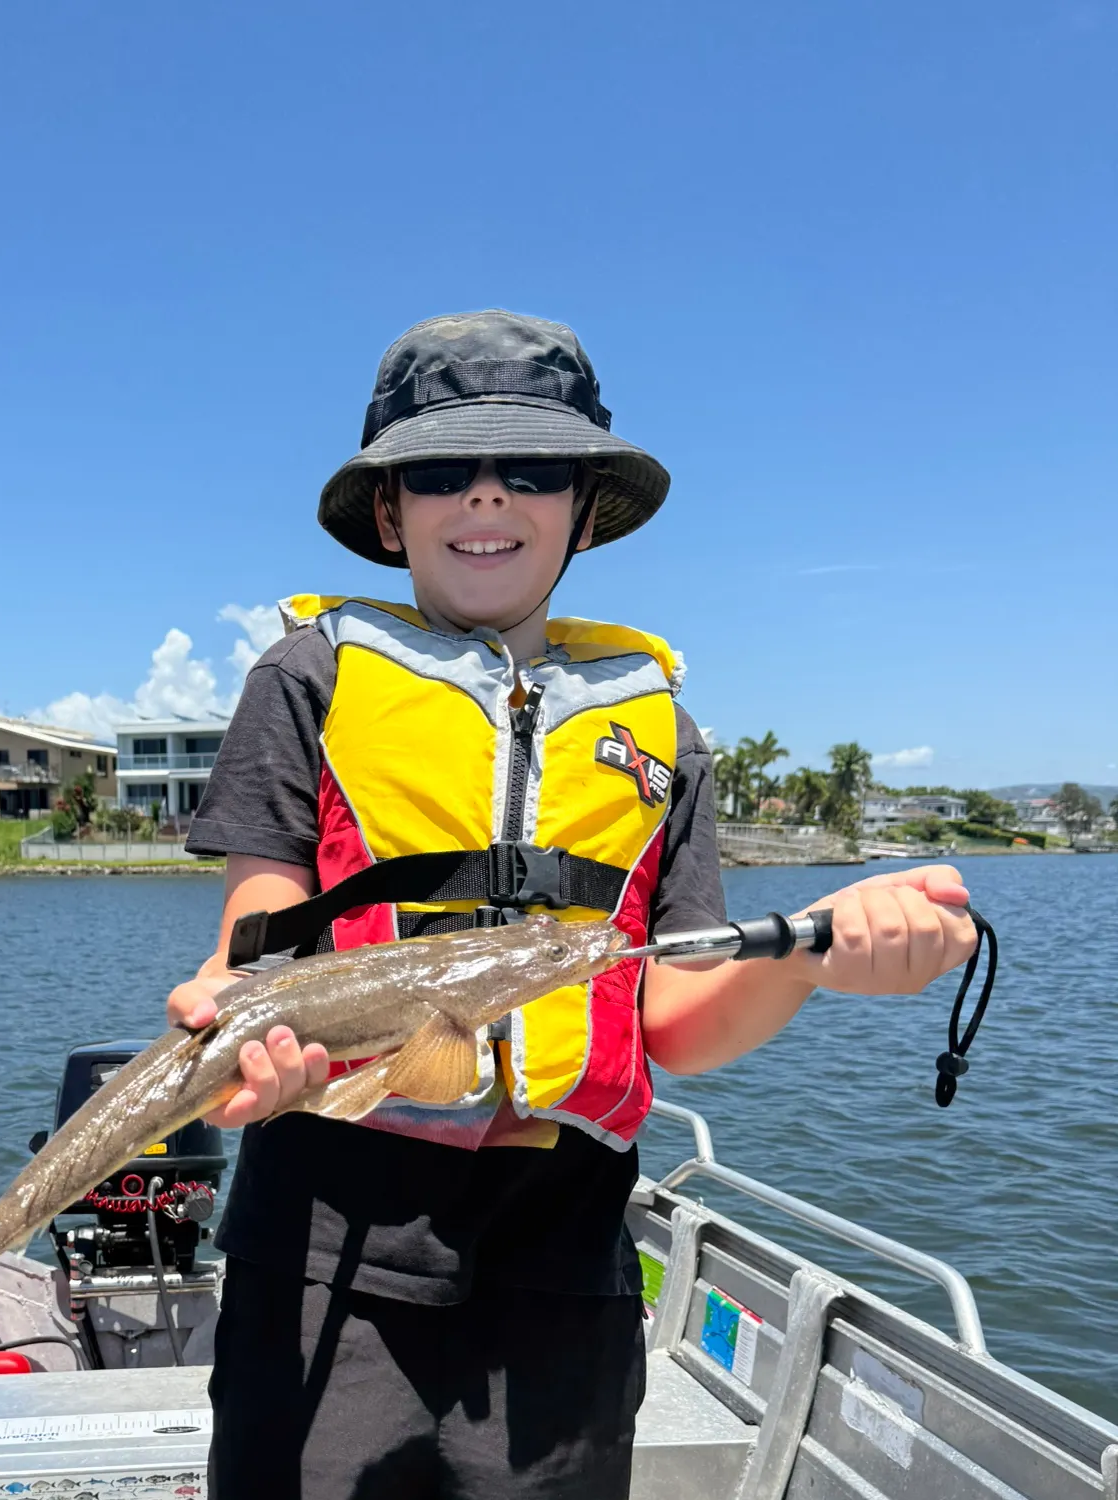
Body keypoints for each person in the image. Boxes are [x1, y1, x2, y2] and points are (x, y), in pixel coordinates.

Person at [169, 310, 977, 1499]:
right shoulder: (308, 680)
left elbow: (676, 1022)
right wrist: (239, 1028)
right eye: (442, 472)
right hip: (327, 1234)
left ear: (583, 508)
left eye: (531, 470)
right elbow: (259, 937)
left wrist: (808, 959)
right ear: (390, 513)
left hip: (566, 1248)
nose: (486, 500)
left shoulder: (664, 737)